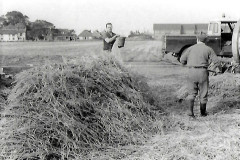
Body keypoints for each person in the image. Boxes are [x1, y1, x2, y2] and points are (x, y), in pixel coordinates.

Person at [180, 33, 219, 117]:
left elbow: (182, 60)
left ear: (197, 39)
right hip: (203, 72)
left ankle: (190, 112)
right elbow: (217, 61)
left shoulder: (190, 48)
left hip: (191, 72)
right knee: (203, 93)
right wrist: (212, 69)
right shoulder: (208, 49)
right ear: (205, 40)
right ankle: (203, 113)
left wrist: (186, 63)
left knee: (191, 93)